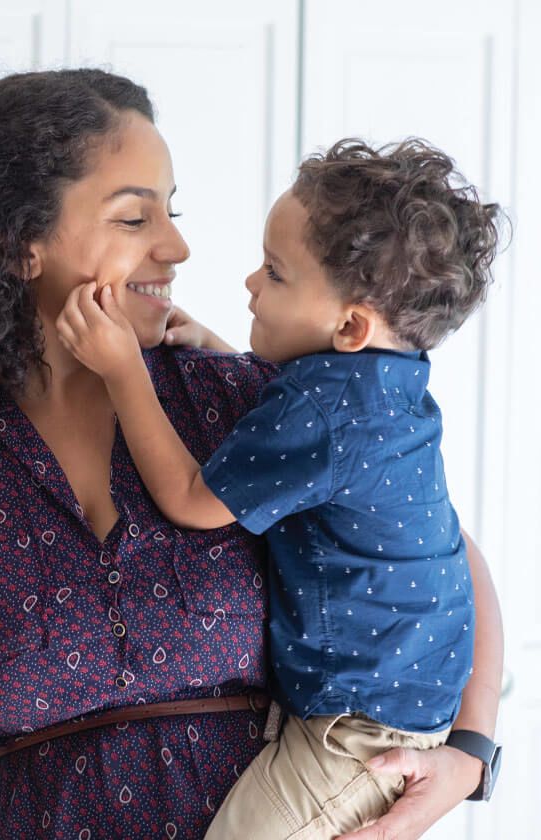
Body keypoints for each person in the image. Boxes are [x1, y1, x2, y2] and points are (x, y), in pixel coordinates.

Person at [0, 70, 502, 840]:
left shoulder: (238, 401)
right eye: (135, 218)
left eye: (170, 212)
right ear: (19, 245)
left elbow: (442, 558)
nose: (177, 246)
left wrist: (467, 758)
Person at [55, 137, 505, 838]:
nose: (249, 285)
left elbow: (192, 500)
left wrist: (124, 373)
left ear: (351, 326)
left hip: (355, 742)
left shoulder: (323, 416)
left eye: (275, 273)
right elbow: (307, 429)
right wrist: (218, 352)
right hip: (393, 714)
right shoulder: (391, 383)